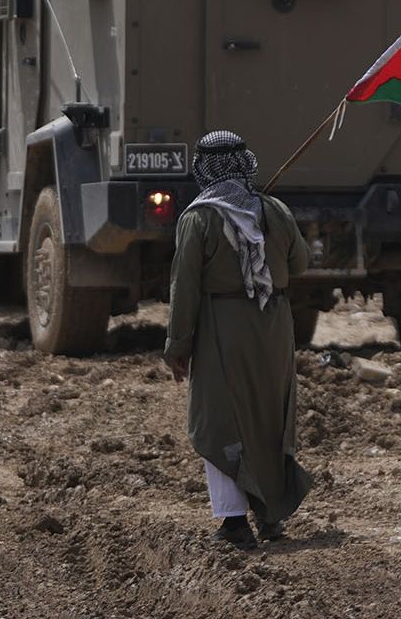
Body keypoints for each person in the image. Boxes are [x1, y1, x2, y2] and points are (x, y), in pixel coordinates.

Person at [163, 130, 312, 550]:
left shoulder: (198, 218)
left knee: (220, 421)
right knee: (267, 419)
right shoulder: (275, 210)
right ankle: (270, 515)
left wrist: (177, 346)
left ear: (204, 168)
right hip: (275, 328)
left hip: (222, 327)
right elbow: (299, 264)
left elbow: (185, 286)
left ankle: (233, 523)